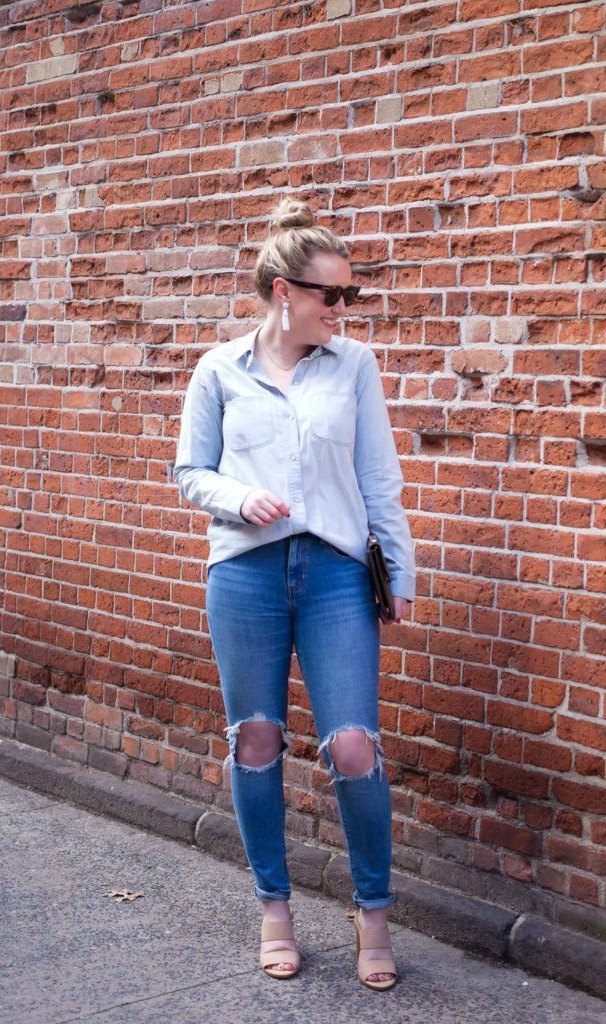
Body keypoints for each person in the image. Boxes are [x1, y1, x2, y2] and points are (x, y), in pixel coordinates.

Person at [173, 198, 415, 990]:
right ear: (284, 292)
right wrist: (240, 498)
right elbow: (190, 472)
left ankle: (372, 914)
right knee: (255, 739)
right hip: (245, 573)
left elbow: (379, 477)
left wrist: (399, 573)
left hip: (335, 575)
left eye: (350, 294)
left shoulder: (354, 366)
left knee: (353, 746)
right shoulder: (219, 370)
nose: (342, 309)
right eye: (330, 294)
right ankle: (273, 909)